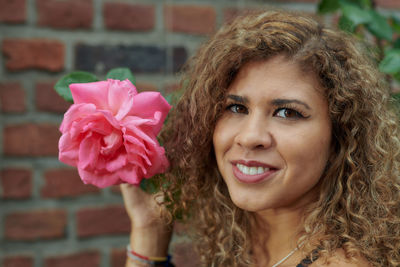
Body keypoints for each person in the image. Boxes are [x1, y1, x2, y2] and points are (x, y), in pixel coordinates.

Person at [121, 9, 400, 267]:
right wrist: (150, 228)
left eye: (287, 112)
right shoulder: (244, 241)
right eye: (236, 108)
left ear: (341, 136)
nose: (250, 136)